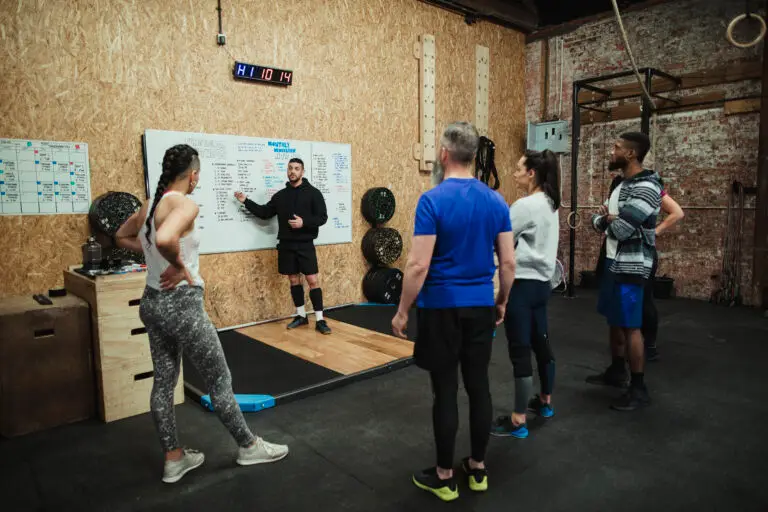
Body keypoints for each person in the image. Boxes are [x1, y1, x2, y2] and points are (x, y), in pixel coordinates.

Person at [115, 144, 289, 484]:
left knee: (164, 384)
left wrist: (154, 258)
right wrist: (178, 266)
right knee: (220, 381)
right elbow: (166, 237)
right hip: (182, 306)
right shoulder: (185, 203)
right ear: (193, 174)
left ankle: (173, 458)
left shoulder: (149, 205)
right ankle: (249, 446)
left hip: (152, 304)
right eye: (198, 174)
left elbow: (122, 236)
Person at [391, 122, 516, 502]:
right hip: (480, 306)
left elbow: (416, 266)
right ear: (474, 155)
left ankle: (444, 477)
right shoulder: (496, 201)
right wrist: (501, 301)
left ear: (444, 154)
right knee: (479, 387)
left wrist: (401, 311)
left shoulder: (432, 200)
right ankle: (477, 469)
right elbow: (508, 264)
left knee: (445, 391)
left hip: (441, 309)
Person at [587, 132, 662, 411]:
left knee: (631, 326)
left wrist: (607, 219)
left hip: (632, 265)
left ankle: (639, 387)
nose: (611, 151)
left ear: (631, 154)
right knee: (614, 320)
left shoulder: (647, 187)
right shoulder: (620, 184)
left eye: (616, 147)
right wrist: (606, 219)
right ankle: (617, 371)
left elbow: (619, 228)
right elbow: (599, 222)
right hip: (611, 260)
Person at [490, 149, 560, 439]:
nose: (515, 172)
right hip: (542, 286)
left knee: (520, 350)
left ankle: (518, 421)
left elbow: (500, 243)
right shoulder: (551, 202)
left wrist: (500, 299)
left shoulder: (524, 205)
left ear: (532, 173)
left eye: (519, 168)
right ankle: (545, 401)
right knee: (540, 341)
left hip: (522, 287)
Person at [234, 158, 331, 335]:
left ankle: (320, 319)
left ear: (302, 171)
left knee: (312, 281)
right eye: (290, 168)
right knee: (293, 280)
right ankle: (301, 316)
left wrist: (304, 223)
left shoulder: (314, 193)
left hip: (305, 245)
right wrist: (245, 200)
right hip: (286, 245)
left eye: (296, 168)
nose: (292, 171)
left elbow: (322, 217)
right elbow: (264, 213)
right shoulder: (281, 196)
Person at [594, 175, 684, 363]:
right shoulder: (619, 183)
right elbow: (603, 217)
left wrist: (655, 232)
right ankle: (619, 363)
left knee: (643, 303)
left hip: (638, 255)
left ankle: (649, 346)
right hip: (615, 253)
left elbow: (677, 212)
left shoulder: (648, 187)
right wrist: (604, 214)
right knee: (617, 311)